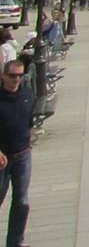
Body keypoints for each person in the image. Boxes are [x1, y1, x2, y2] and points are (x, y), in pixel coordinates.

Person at [0, 58, 36, 247]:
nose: (16, 80)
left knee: (21, 201)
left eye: (20, 76)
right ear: (3, 76)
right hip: (2, 158)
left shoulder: (27, 94)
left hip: (22, 155)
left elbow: (28, 121)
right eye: (12, 76)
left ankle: (15, 242)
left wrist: (28, 142)